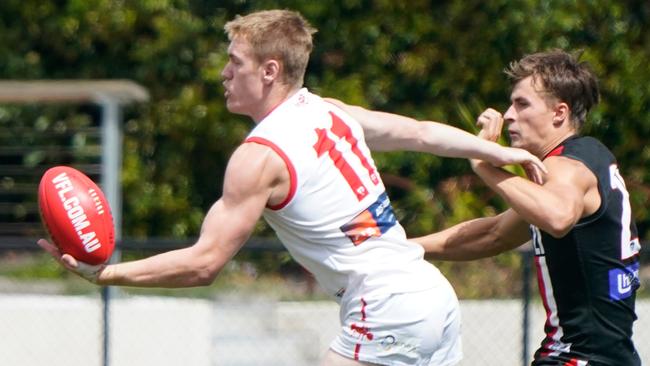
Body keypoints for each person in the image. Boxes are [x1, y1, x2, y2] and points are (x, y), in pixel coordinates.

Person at [37, 10, 546, 366]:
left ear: (270, 71)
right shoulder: (328, 111)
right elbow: (418, 132)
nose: (223, 73)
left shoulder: (259, 157)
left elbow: (203, 263)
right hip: (433, 298)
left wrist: (105, 275)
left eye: (234, 63)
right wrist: (497, 151)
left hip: (386, 306)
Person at [412, 50, 642, 365]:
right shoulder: (575, 166)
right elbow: (493, 234)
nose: (508, 115)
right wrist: (402, 248)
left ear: (559, 113)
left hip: (578, 359)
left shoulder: (569, 162)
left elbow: (558, 217)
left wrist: (484, 163)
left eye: (522, 104)